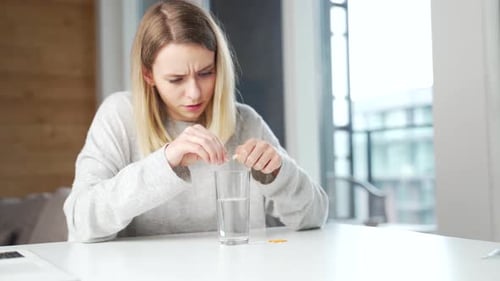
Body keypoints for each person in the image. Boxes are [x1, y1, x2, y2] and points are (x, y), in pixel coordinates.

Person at [63, 0, 328, 242]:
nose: (194, 92)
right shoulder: (120, 115)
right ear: (148, 75)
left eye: (206, 73)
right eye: (176, 79)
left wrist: (279, 174)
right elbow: (81, 224)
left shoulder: (244, 121)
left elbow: (314, 216)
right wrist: (165, 161)